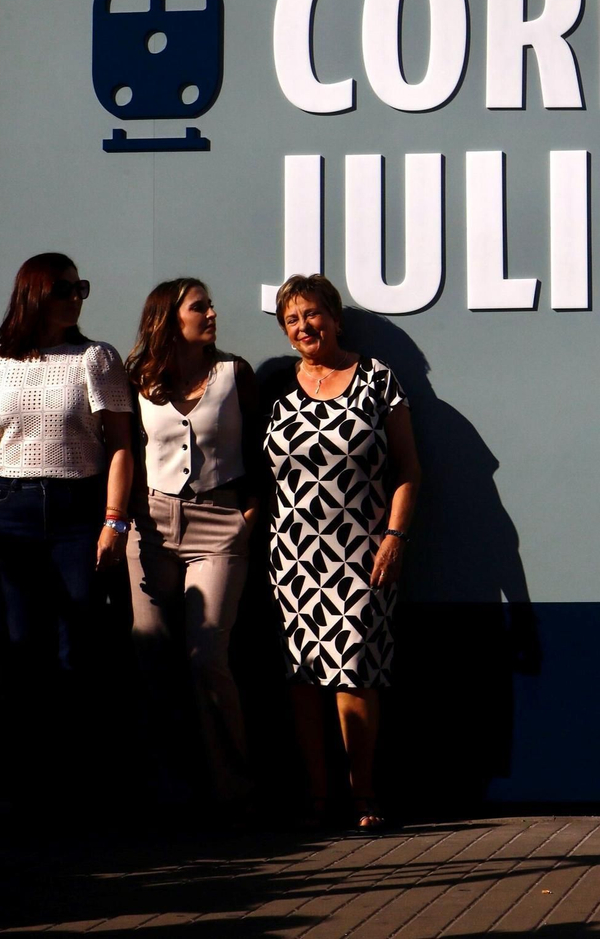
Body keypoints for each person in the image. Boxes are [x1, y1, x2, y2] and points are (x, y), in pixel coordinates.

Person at [0, 253, 134, 800]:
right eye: (63, 288)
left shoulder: (95, 358)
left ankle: (76, 777)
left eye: (80, 287)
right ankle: (22, 779)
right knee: (18, 643)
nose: (75, 296)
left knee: (75, 643)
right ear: (33, 293)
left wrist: (114, 520)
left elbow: (123, 446)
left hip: (77, 510)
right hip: (9, 506)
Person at [265, 274, 420, 830]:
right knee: (304, 678)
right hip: (294, 556)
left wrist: (395, 537)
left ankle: (363, 794)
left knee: (355, 672)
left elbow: (408, 470)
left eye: (312, 315)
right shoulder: (275, 388)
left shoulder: (378, 380)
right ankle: (317, 794)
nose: (304, 327)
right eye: (292, 320)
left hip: (361, 552)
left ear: (334, 316)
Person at [125, 278, 260, 812]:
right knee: (151, 656)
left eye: (210, 304)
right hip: (152, 526)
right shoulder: (137, 378)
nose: (212, 312)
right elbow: (124, 451)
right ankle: (167, 791)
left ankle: (235, 791)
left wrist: (249, 515)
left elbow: (259, 447)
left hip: (220, 521)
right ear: (168, 317)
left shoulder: (235, 374)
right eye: (199, 305)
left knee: (207, 659)